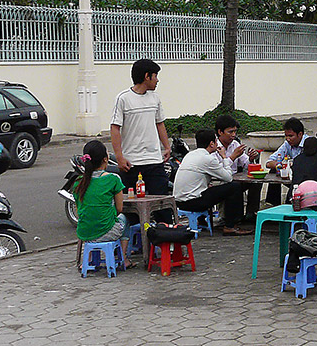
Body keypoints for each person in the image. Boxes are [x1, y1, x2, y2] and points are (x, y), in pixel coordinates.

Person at [111, 58, 170, 196]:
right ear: (146, 76)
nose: (157, 80)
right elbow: (115, 128)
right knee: (132, 209)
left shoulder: (155, 98)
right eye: (155, 76)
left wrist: (166, 147)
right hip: (131, 163)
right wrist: (119, 157)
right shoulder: (123, 98)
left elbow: (160, 124)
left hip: (155, 161)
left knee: (161, 204)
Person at [173, 130, 249, 235]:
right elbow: (228, 178)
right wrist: (224, 157)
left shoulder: (190, 155)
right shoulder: (207, 159)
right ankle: (230, 226)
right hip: (192, 202)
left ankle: (202, 221)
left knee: (210, 188)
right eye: (216, 141)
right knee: (234, 187)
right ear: (211, 143)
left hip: (179, 201)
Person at [74, 140, 132, 269]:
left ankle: (87, 259)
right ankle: (123, 258)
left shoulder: (78, 182)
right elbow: (119, 208)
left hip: (84, 233)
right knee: (125, 219)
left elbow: (80, 211)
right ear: (105, 159)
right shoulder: (113, 179)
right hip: (105, 231)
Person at [214, 114, 261, 233]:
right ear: (220, 132)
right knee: (235, 186)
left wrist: (250, 158)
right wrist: (233, 156)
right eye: (230, 132)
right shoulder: (214, 146)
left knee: (256, 181)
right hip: (220, 180)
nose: (233, 135)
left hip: (236, 177)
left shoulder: (235, 143)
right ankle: (233, 218)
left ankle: (251, 212)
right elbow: (218, 171)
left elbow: (245, 164)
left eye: (235, 132)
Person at [264, 117, 311, 205]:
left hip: (306, 179)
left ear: (300, 134)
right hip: (292, 175)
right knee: (274, 170)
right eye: (286, 136)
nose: (287, 139)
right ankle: (272, 204)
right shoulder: (287, 144)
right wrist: (281, 164)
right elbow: (269, 162)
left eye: (290, 136)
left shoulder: (309, 143)